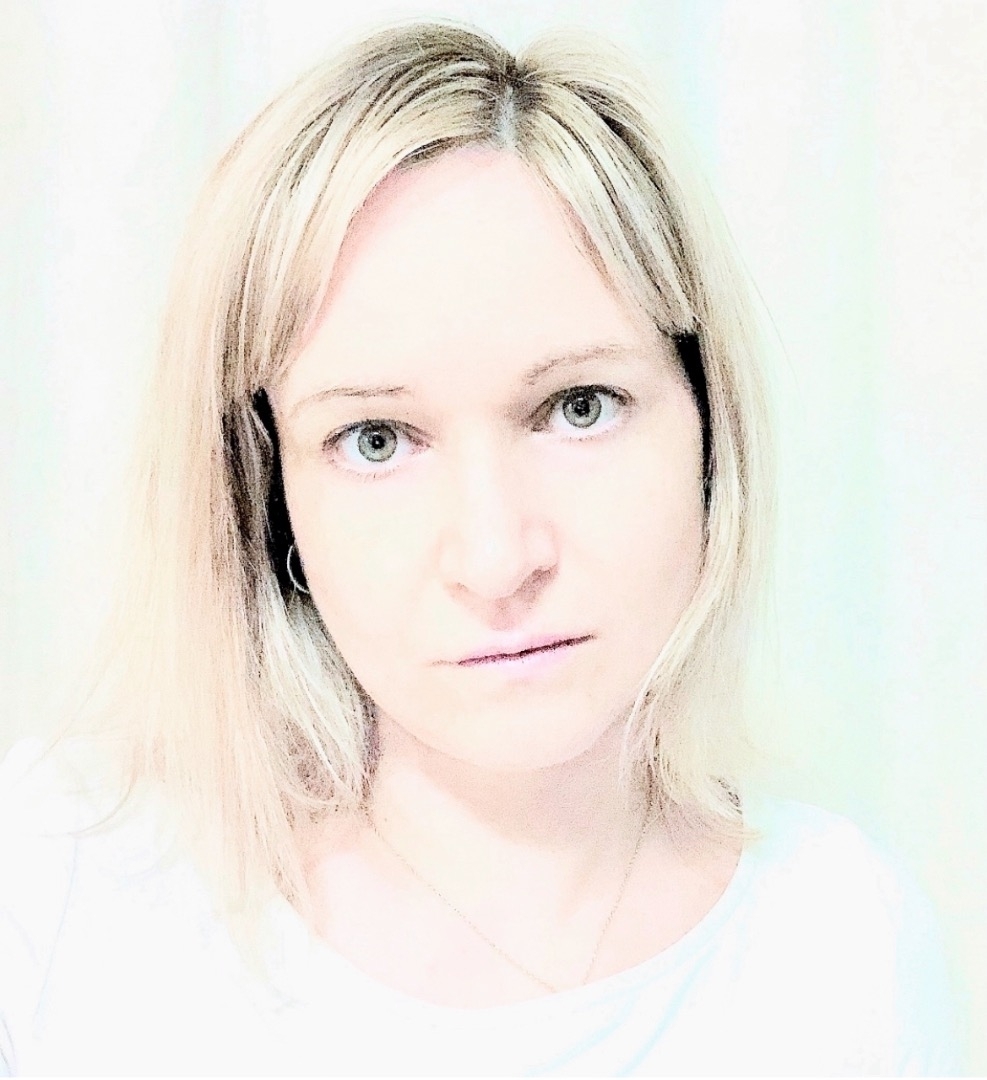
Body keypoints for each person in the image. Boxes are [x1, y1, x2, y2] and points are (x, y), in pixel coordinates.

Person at [0, 19, 958, 1076]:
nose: (499, 559)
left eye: (579, 407)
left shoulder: (842, 949)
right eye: (375, 440)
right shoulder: (55, 885)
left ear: (708, 427)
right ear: (267, 497)